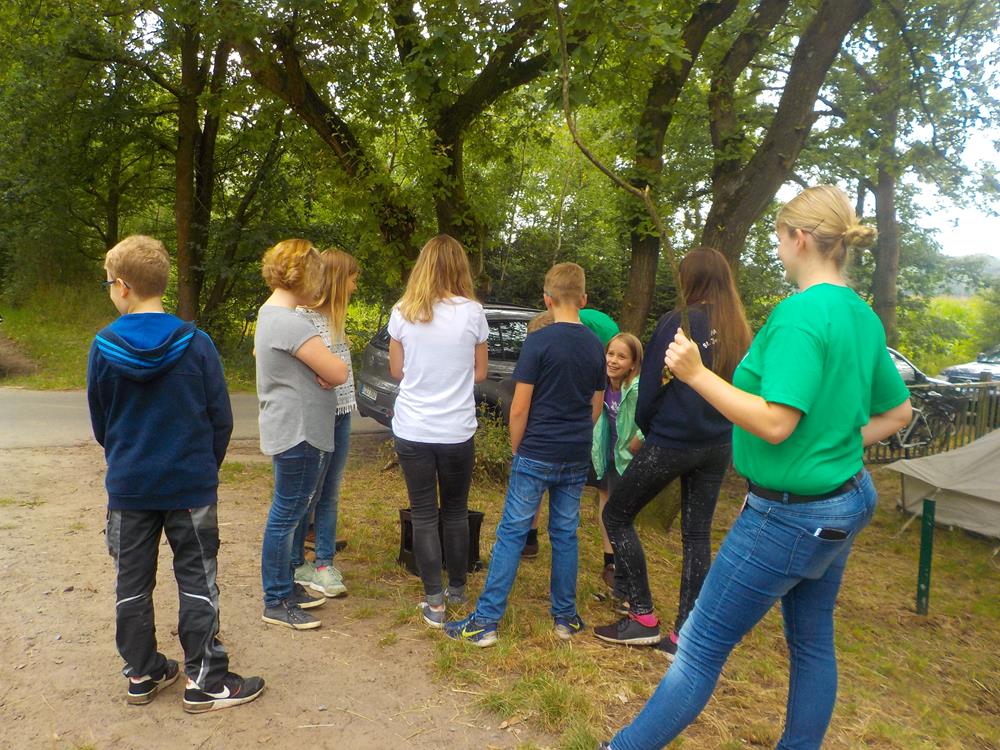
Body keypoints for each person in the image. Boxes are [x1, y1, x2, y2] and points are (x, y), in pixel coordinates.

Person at [601, 185, 912, 750]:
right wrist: (822, 448)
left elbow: (774, 422)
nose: (777, 247)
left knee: (699, 647)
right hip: (845, 498)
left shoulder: (799, 316)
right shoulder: (860, 315)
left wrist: (696, 374)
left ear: (800, 238)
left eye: (779, 236)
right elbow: (896, 413)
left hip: (791, 516)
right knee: (812, 642)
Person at [88, 235, 264, 713]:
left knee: (131, 582)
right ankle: (205, 680)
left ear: (123, 287)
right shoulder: (197, 344)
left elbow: (102, 423)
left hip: (129, 487)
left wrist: (127, 458)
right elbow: (220, 418)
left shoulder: (103, 347)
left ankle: (141, 672)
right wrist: (203, 467)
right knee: (198, 580)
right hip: (190, 486)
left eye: (108, 284)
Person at [595, 247, 751, 660]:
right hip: (718, 444)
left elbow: (651, 384)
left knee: (617, 514)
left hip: (673, 439)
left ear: (689, 279)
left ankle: (642, 616)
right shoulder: (737, 330)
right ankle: (686, 633)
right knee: (697, 534)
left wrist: (648, 427)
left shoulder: (679, 322)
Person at [444, 262, 605, 647]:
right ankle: (565, 618)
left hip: (536, 450)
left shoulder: (539, 342)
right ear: (583, 299)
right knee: (565, 534)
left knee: (512, 533)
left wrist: (518, 446)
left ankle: (486, 622)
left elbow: (519, 407)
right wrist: (576, 435)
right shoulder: (596, 345)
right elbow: (596, 405)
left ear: (547, 300)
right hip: (575, 452)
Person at [388, 234, 489, 628]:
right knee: (456, 510)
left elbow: (397, 371)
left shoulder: (403, 311)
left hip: (414, 426)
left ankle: (434, 603)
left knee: (424, 512)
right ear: (460, 267)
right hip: (456, 429)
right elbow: (480, 372)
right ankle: (458, 589)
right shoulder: (473, 313)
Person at [256, 239, 350, 631]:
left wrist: (320, 371)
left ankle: (285, 589)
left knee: (290, 512)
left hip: (294, 429)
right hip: (300, 432)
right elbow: (339, 371)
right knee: (287, 516)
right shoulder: (290, 322)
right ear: (303, 276)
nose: (321, 284)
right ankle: (277, 599)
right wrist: (325, 372)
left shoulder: (271, 314)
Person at [523, 307, 620, 558]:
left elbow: (596, 403)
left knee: (564, 515)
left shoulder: (592, 342)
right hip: (572, 438)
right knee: (560, 518)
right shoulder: (560, 333)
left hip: (576, 436)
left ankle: (609, 557)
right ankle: (530, 537)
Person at [291, 249, 360, 598]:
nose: (355, 287)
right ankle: (294, 562)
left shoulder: (335, 318)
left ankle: (324, 564)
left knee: (329, 491)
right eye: (352, 279)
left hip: (342, 412)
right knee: (308, 493)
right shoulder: (300, 318)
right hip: (315, 417)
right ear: (336, 280)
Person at [591, 332, 644, 592]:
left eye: (621, 357)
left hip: (628, 459)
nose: (613, 360)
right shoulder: (603, 384)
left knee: (620, 514)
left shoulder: (637, 389)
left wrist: (639, 439)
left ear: (633, 364)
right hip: (607, 454)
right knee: (605, 503)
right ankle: (610, 561)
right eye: (610, 354)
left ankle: (625, 574)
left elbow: (654, 417)